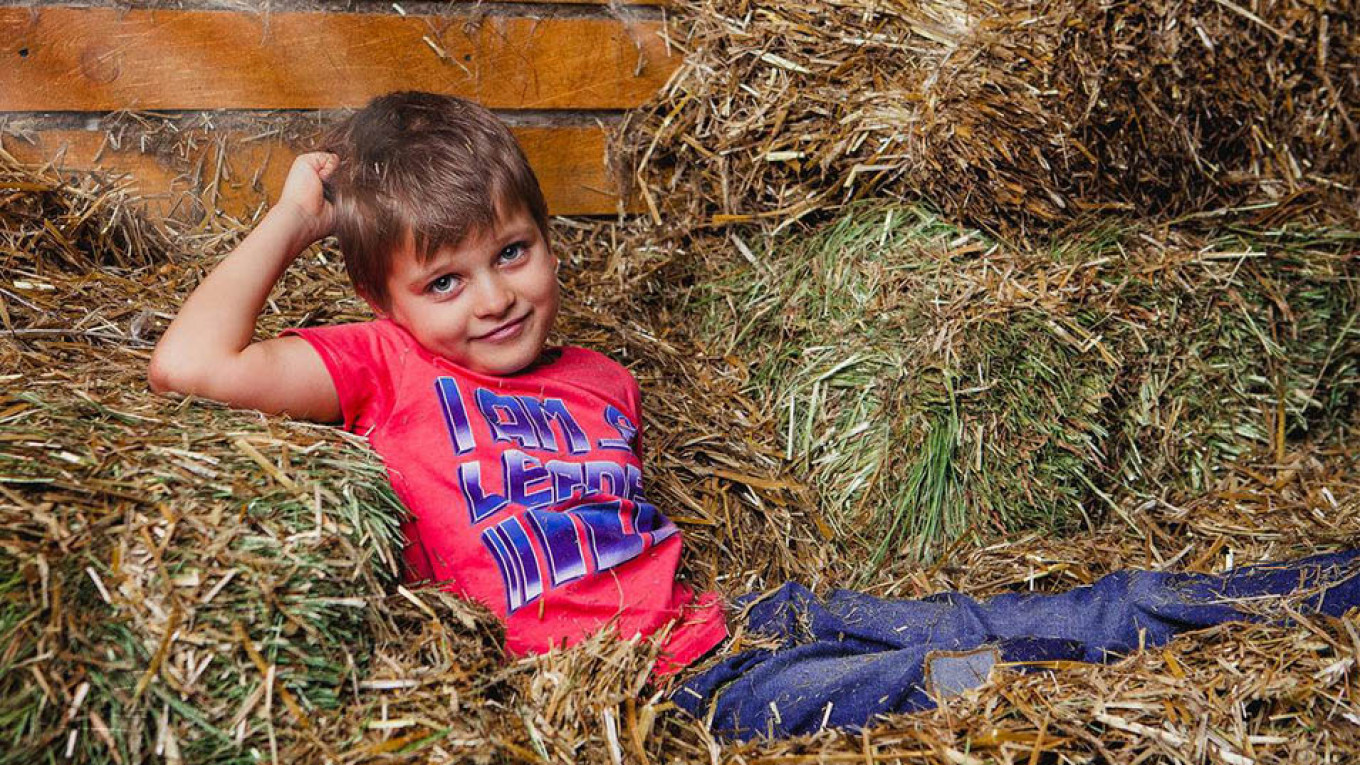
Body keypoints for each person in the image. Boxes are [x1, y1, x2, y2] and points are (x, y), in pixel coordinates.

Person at [148, 90, 1360, 742]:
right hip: (663, 693)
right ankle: (1045, 687)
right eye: (445, 280)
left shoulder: (600, 379)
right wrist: (294, 213)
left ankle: (1296, 591)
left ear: (545, 241)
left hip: (747, 620)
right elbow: (190, 366)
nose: (494, 297)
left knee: (1026, 610)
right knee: (931, 681)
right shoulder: (377, 366)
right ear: (383, 296)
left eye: (513, 253)